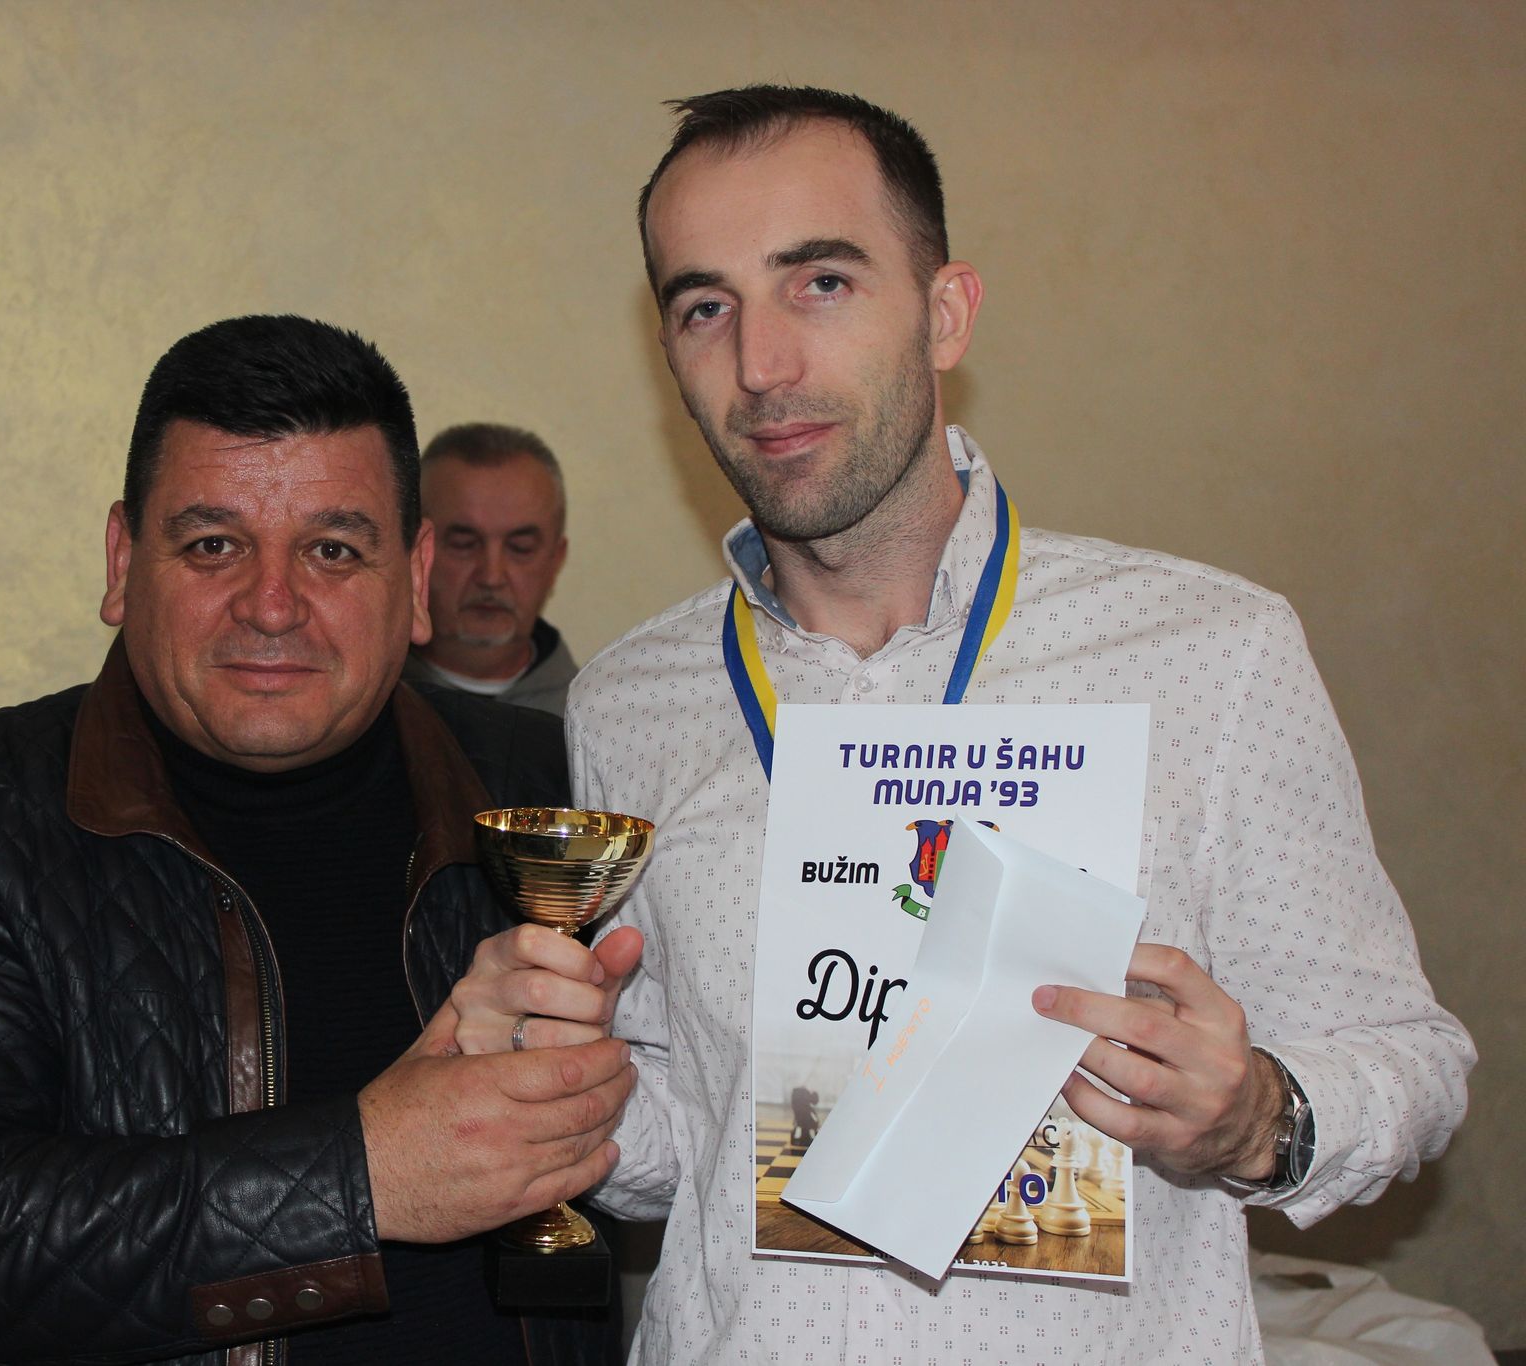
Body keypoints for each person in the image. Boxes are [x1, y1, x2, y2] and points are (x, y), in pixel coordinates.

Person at [452, 87, 1474, 1363]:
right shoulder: (633, 700)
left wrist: (1257, 1114)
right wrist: (561, 1075)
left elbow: (1407, 1057)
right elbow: (691, 1151)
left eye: (820, 283)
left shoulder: (1208, 654)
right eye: (704, 306)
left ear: (944, 314)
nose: (760, 365)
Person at [0, 315, 634, 1366]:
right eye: (212, 545)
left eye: (333, 549)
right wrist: (361, 1176)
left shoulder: (553, 785)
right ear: (123, 561)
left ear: (416, 574)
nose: (272, 605)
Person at [402, 423, 576, 715]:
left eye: (520, 548)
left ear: (556, 560)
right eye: (464, 544)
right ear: (414, 552)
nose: (491, 577)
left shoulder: (596, 724)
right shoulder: (353, 713)